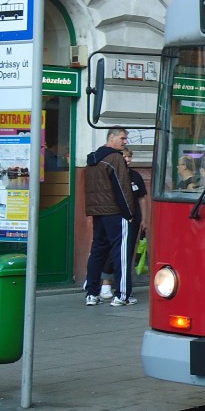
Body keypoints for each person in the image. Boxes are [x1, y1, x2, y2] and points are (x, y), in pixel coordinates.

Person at [83, 126, 137, 307]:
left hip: (98, 212)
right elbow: (123, 189)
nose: (125, 142)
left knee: (97, 251)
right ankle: (122, 295)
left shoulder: (92, 159)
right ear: (112, 138)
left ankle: (91, 293)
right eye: (122, 138)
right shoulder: (115, 159)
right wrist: (129, 214)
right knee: (120, 253)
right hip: (115, 212)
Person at [99, 148, 147, 300]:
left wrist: (144, 218)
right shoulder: (114, 174)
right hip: (116, 218)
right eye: (125, 157)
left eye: (130, 157)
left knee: (127, 253)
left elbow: (142, 198)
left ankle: (123, 286)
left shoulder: (135, 176)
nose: (128, 160)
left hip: (134, 219)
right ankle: (106, 284)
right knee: (113, 251)